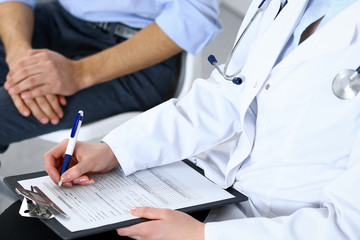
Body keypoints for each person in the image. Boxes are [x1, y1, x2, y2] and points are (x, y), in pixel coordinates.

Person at [2, 0, 360, 239]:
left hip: (277, 223)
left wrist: (203, 236)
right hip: (211, 185)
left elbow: (349, 225)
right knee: (26, 224)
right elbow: (226, 93)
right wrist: (115, 148)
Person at [0, 0, 222, 153]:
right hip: (58, 20)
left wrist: (79, 73)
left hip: (138, 52)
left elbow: (195, 16)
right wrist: (19, 57)